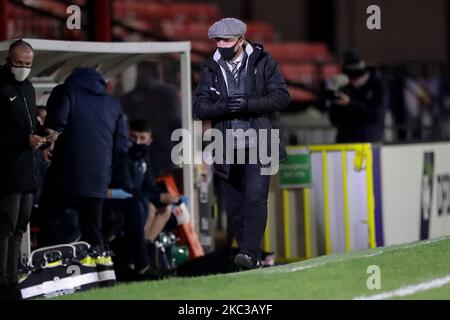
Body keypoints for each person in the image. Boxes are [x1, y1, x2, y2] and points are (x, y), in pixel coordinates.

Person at [194, 18, 290, 270]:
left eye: (226, 40)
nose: (221, 45)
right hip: (225, 147)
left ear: (241, 39)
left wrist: (248, 103)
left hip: (260, 143)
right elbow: (199, 107)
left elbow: (281, 97)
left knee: (255, 199)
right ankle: (251, 256)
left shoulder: (264, 61)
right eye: (217, 41)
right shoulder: (210, 67)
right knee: (234, 206)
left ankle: (249, 254)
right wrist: (225, 106)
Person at [38, 67, 129, 257]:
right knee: (93, 228)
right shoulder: (113, 103)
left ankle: (52, 270)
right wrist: (104, 166)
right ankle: (103, 276)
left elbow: (56, 124)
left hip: (64, 174)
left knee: (51, 219)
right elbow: (121, 145)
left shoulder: (66, 92)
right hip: (97, 178)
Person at [0, 40, 49, 298]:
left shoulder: (29, 88)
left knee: (20, 228)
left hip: (28, 171)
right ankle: (4, 283)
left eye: (27, 64)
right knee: (6, 228)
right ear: (9, 61)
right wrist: (23, 140)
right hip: (8, 172)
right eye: (18, 63)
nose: (22, 68)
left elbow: (30, 129)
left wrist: (44, 135)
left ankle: (13, 280)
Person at [104, 118, 179, 279]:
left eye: (142, 138)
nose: (137, 142)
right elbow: (127, 188)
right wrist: (158, 196)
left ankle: (146, 248)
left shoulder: (144, 158)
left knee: (167, 209)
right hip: (120, 200)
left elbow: (148, 185)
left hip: (137, 198)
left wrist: (165, 197)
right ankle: (139, 260)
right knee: (148, 207)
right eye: (133, 137)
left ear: (149, 140)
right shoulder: (122, 155)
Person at [120, 61, 182, 177]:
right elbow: (176, 124)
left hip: (136, 155)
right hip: (164, 156)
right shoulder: (168, 95)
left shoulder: (127, 98)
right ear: (158, 74)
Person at [328, 49, 387, 143]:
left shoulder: (378, 86)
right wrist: (334, 97)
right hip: (345, 142)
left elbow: (376, 116)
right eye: (350, 79)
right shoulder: (344, 86)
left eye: (355, 78)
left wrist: (350, 103)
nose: (353, 82)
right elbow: (334, 120)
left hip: (368, 142)